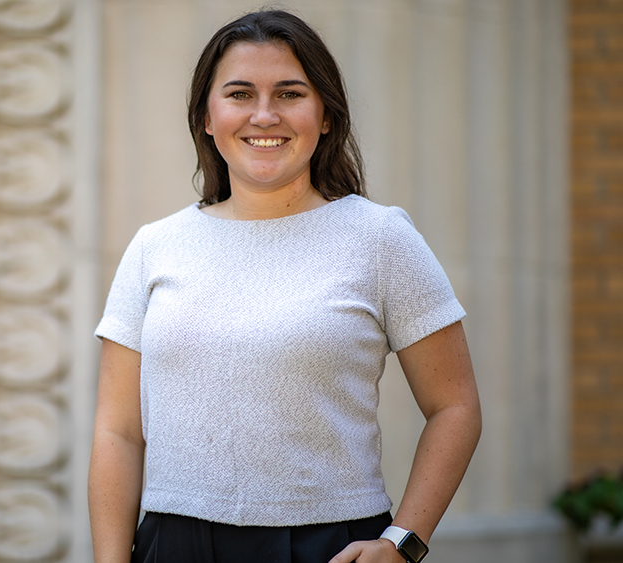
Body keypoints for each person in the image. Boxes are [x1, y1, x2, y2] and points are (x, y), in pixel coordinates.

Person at [89, 9, 481, 563]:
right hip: (173, 544)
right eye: (241, 94)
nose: (265, 115)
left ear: (325, 116)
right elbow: (118, 432)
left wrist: (402, 543)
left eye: (290, 93)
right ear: (207, 115)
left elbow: (455, 407)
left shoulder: (381, 238)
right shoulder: (155, 246)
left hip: (329, 545)